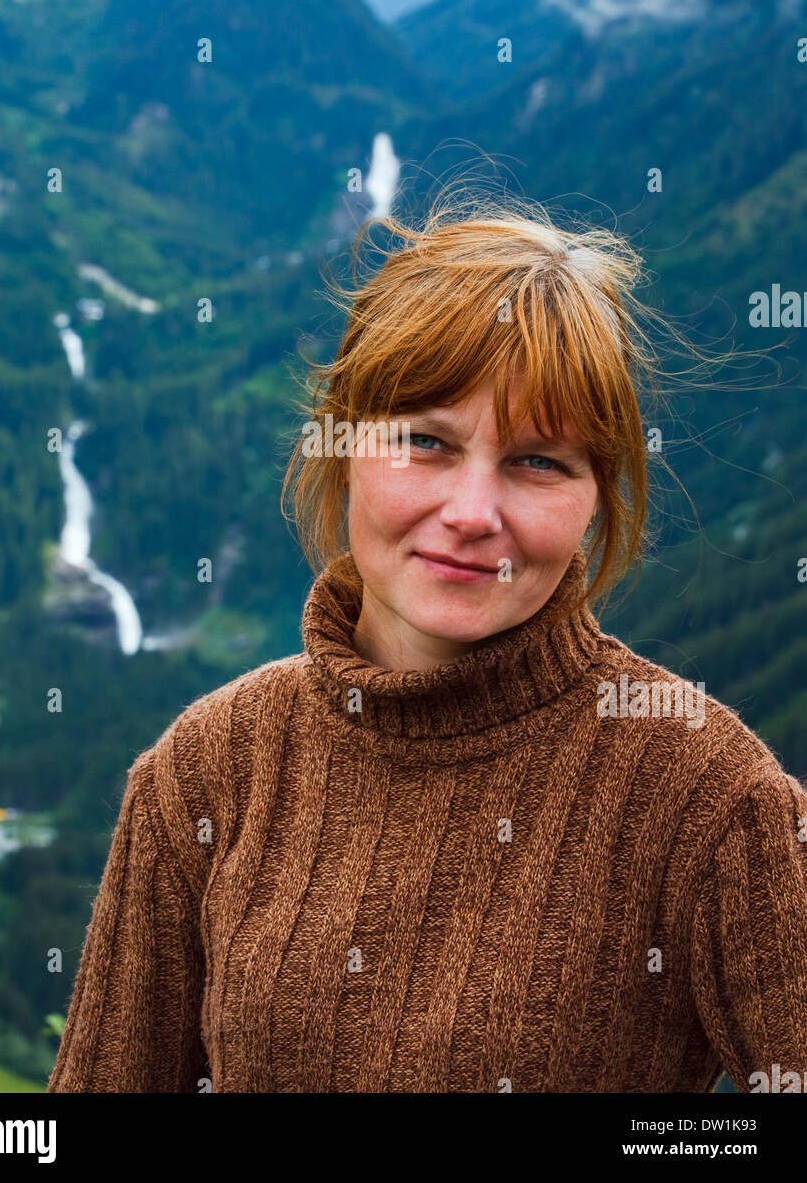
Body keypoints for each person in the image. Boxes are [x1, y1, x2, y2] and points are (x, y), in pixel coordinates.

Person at [48, 197, 807, 1093]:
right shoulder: (207, 773)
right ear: (343, 445)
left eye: (539, 462)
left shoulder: (713, 799)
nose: (473, 515)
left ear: (598, 495)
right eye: (426, 442)